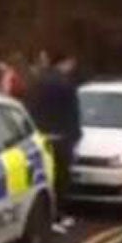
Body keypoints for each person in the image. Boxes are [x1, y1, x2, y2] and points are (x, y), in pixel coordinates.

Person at [27, 51, 80, 233]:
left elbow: (31, 108)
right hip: (61, 137)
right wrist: (75, 135)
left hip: (41, 136)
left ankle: (46, 218)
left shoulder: (39, 82)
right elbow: (72, 113)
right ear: (66, 62)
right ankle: (57, 216)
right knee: (60, 178)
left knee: (44, 179)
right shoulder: (66, 84)